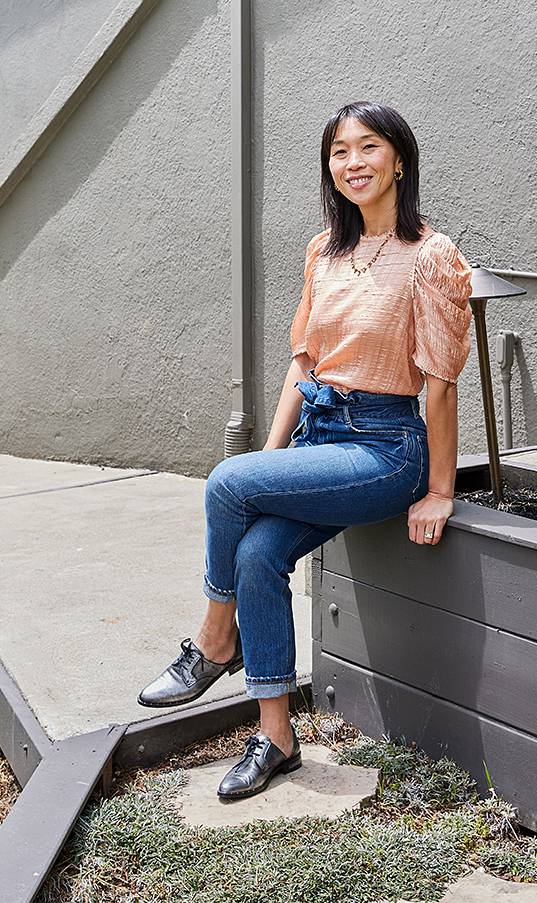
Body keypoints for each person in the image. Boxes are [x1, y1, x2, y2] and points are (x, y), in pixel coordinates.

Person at [137, 101, 473, 801]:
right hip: (322, 439)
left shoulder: (432, 258)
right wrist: (267, 462)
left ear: (400, 159)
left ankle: (213, 641)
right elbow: (302, 365)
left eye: (369, 147)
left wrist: (440, 488)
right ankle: (277, 738)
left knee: (229, 484)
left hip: (387, 449)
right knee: (257, 553)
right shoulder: (324, 250)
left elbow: (439, 389)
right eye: (339, 151)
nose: (353, 162)